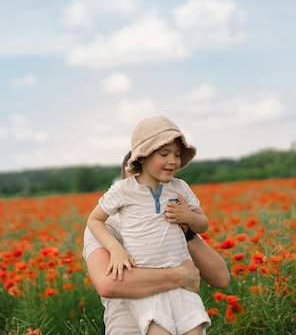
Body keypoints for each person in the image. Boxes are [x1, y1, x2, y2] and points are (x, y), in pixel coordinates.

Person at [87, 116, 214, 335]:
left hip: (182, 286)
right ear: (142, 158)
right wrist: (115, 249)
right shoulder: (123, 191)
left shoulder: (180, 188)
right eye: (164, 154)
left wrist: (188, 218)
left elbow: (203, 223)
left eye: (176, 155)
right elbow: (94, 220)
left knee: (194, 331)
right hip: (148, 290)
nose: (173, 161)